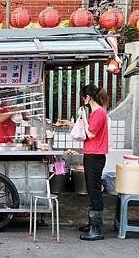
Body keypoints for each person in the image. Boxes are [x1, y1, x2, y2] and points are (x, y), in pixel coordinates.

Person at [58, 84, 109, 241]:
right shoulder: (95, 112)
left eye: (83, 97)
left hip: (96, 155)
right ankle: (92, 225)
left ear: (88, 97)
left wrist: (84, 117)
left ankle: (97, 230)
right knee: (92, 189)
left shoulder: (99, 113)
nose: (83, 101)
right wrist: (69, 123)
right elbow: (85, 130)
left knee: (94, 191)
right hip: (91, 154)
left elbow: (91, 134)